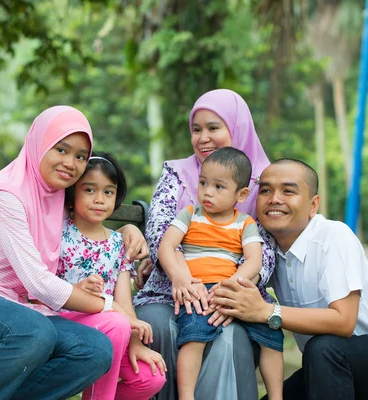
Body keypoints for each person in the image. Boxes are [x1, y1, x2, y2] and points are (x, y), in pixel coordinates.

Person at [0, 106, 146, 400]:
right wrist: (109, 306)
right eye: (62, 149)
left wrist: (130, 227)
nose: (71, 163)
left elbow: (92, 232)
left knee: (94, 349)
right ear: (39, 144)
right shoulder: (7, 196)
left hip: (17, 307)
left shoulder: (53, 197)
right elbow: (38, 283)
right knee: (34, 333)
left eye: (80, 156)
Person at [210, 158, 368, 400]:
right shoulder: (266, 250)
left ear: (313, 205)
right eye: (265, 190)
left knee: (323, 347)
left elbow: (343, 322)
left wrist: (266, 311)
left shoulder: (333, 237)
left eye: (288, 191)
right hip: (326, 364)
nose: (274, 199)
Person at [133, 88, 274, 400]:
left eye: (214, 128)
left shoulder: (263, 181)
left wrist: (227, 292)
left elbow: (265, 253)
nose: (203, 138)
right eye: (196, 129)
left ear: (236, 128)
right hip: (167, 289)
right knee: (157, 324)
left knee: (230, 336)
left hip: (232, 293)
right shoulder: (177, 173)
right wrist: (184, 278)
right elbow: (159, 233)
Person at [158, 147, 284, 400]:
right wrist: (178, 276)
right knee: (194, 335)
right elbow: (166, 246)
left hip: (233, 287)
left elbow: (254, 260)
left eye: (219, 186)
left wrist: (233, 283)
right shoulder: (191, 214)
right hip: (199, 290)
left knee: (272, 335)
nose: (207, 192)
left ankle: (276, 396)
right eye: (203, 183)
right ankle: (186, 395)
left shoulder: (244, 223)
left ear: (242, 194)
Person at [56, 152, 166, 400]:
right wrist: (78, 287)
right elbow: (43, 287)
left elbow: (124, 302)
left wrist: (136, 343)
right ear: (72, 195)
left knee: (150, 377)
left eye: (108, 192)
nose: (99, 199)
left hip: (114, 332)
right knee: (116, 323)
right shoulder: (60, 233)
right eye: (89, 190)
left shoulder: (118, 244)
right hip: (65, 323)